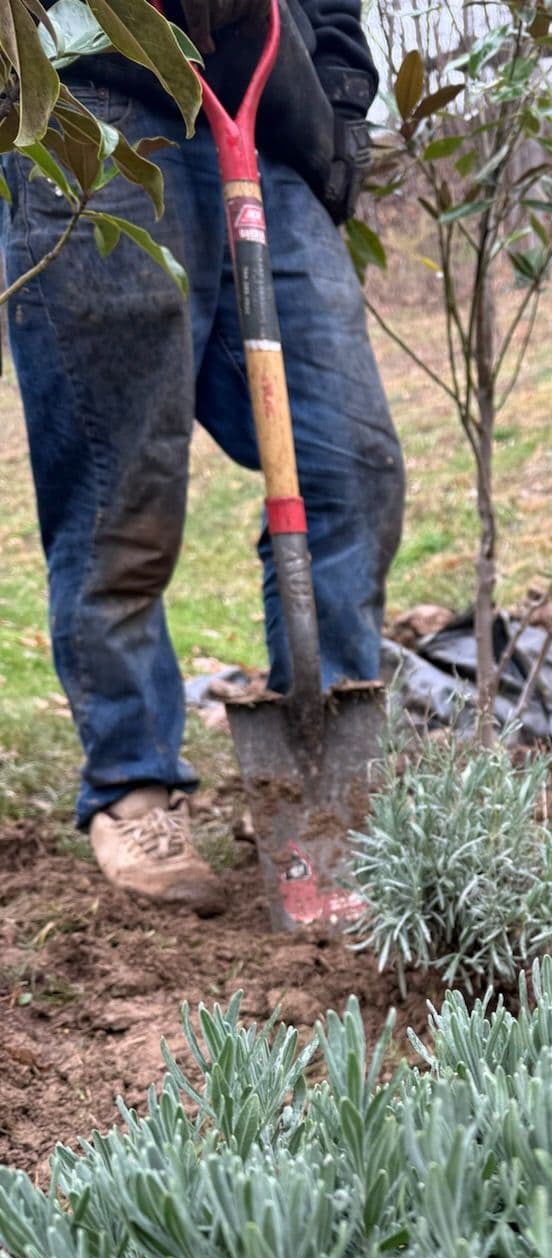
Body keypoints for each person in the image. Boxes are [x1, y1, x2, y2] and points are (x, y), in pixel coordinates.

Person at [0, 0, 405, 914]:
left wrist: (337, 116)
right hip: (91, 100)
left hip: (270, 120)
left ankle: (324, 779)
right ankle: (133, 783)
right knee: (121, 488)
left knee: (351, 465)